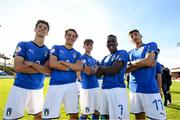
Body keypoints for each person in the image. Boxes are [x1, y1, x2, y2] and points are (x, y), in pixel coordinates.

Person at [3, 20, 51, 120]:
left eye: (45, 28)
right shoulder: (23, 44)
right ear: (35, 29)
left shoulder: (48, 51)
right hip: (20, 87)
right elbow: (18, 67)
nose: (42, 28)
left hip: (38, 89)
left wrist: (31, 64)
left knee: (39, 116)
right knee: (10, 118)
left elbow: (48, 71)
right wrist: (41, 69)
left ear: (47, 33)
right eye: (40, 26)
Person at [42, 28, 82, 120]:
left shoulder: (77, 53)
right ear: (65, 36)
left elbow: (79, 67)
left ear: (76, 38)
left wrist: (63, 63)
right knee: (47, 116)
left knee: (74, 115)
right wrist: (71, 67)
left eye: (73, 36)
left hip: (71, 85)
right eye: (69, 35)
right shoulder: (56, 47)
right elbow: (52, 63)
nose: (71, 37)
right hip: (55, 85)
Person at [126, 29, 166, 120]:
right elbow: (124, 70)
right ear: (130, 40)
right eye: (131, 36)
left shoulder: (150, 45)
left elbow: (148, 61)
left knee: (159, 118)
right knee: (139, 117)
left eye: (136, 34)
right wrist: (142, 64)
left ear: (141, 35)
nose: (134, 37)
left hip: (150, 89)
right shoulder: (129, 53)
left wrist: (131, 63)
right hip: (134, 90)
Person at [95, 35, 129, 120]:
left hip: (117, 89)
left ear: (117, 43)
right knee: (104, 116)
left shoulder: (122, 53)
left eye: (113, 41)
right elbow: (97, 75)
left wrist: (101, 67)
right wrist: (104, 68)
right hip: (104, 89)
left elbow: (114, 69)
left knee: (118, 117)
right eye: (108, 42)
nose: (110, 43)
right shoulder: (105, 58)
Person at [79, 39, 100, 120]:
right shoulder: (81, 57)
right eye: (87, 44)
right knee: (85, 113)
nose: (89, 46)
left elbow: (97, 72)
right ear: (84, 46)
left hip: (96, 86)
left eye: (91, 45)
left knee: (97, 111)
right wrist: (95, 68)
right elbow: (88, 71)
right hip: (87, 88)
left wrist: (93, 69)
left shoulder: (94, 59)